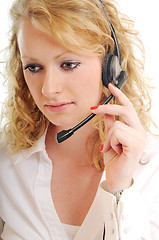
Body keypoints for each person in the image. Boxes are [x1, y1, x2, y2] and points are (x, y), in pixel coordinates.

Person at [0, 0, 159, 239]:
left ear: (111, 67)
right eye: (33, 67)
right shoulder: (6, 159)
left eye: (68, 64)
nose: (48, 89)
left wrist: (120, 189)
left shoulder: (152, 167)